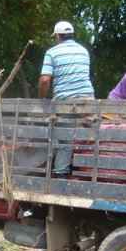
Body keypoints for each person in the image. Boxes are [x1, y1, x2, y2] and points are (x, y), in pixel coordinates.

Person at [38, 20, 94, 178]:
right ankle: (90, 172)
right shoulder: (84, 51)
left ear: (57, 36)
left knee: (64, 142)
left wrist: (41, 99)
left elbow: (44, 80)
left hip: (65, 102)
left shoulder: (52, 52)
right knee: (90, 138)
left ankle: (61, 175)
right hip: (87, 99)